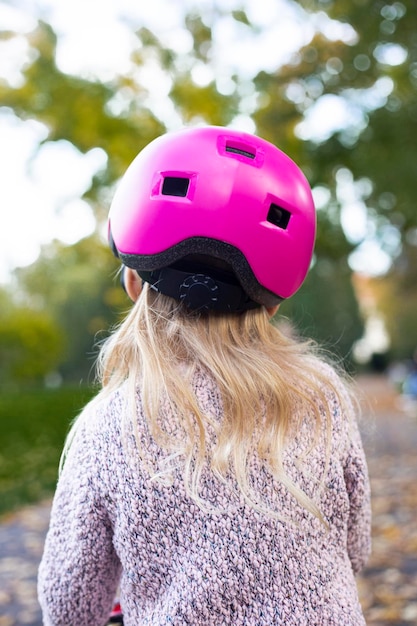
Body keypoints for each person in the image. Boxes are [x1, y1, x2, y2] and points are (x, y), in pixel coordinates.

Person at [38, 125, 371, 625]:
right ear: (276, 300)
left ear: (133, 278)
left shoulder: (106, 427)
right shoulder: (322, 396)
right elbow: (356, 549)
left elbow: (69, 606)